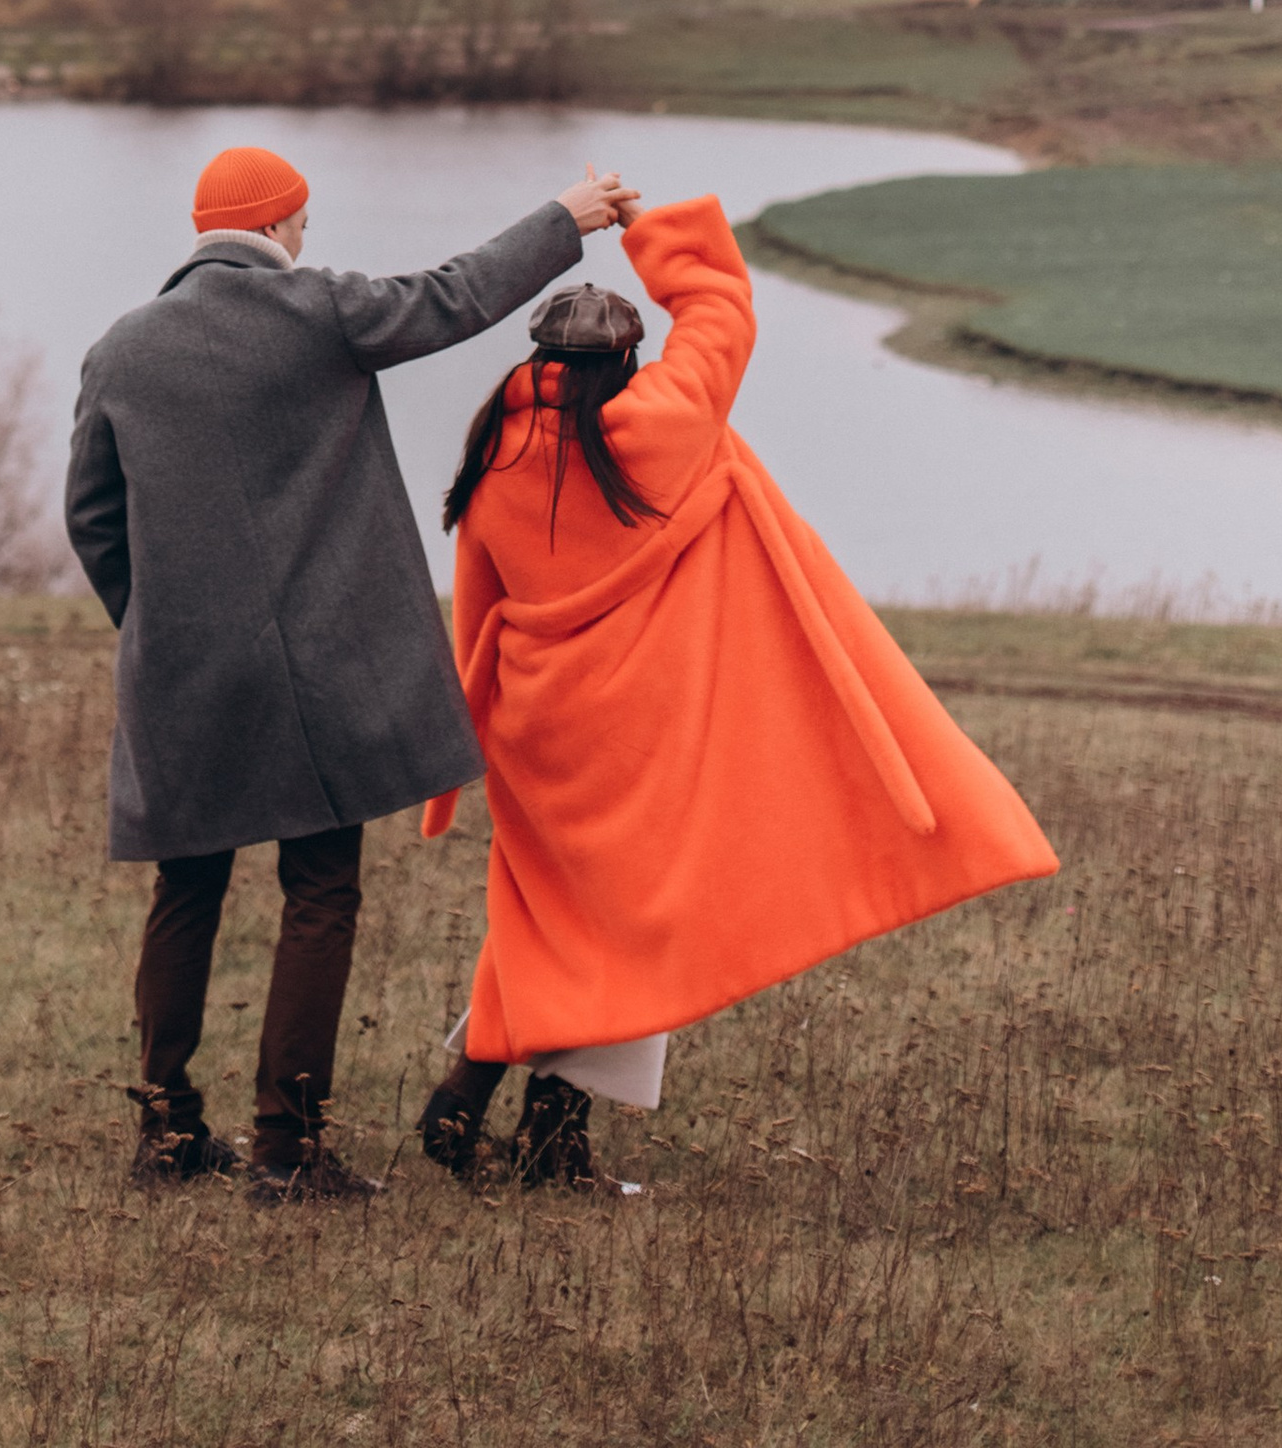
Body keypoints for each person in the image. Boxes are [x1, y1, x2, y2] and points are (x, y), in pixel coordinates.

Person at [417, 194, 1057, 1186]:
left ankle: (469, 1114)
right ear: (623, 360)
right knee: (624, 935)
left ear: (536, 357)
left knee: (545, 918)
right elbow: (721, 310)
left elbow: (475, 607)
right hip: (642, 731)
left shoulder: (489, 455)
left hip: (539, 728)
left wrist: (461, 751)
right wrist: (650, 226)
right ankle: (541, 1141)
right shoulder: (667, 422)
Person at [65, 139, 640, 1202]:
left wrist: (155, 625)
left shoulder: (120, 350)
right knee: (316, 891)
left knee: (185, 888)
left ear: (202, 235)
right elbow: (456, 295)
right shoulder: (318, 310)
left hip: (179, 673)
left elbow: (91, 518)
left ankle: (166, 1133)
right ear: (285, 226)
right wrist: (567, 218)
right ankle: (287, 1151)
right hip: (314, 679)